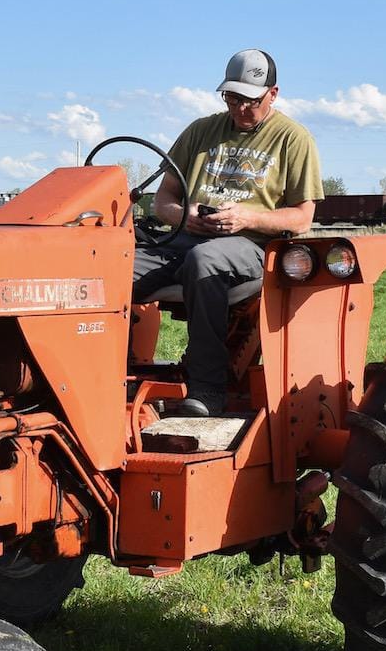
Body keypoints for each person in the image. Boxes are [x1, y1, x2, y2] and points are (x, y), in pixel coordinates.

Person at [134, 49, 323, 415]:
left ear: (273, 93)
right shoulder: (200, 131)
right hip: (185, 239)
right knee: (107, 269)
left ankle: (207, 389)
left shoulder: (293, 139)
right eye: (232, 98)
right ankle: (103, 379)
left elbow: (301, 218)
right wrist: (184, 215)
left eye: (250, 100)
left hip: (250, 246)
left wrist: (245, 218)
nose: (240, 108)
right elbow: (163, 201)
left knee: (205, 260)